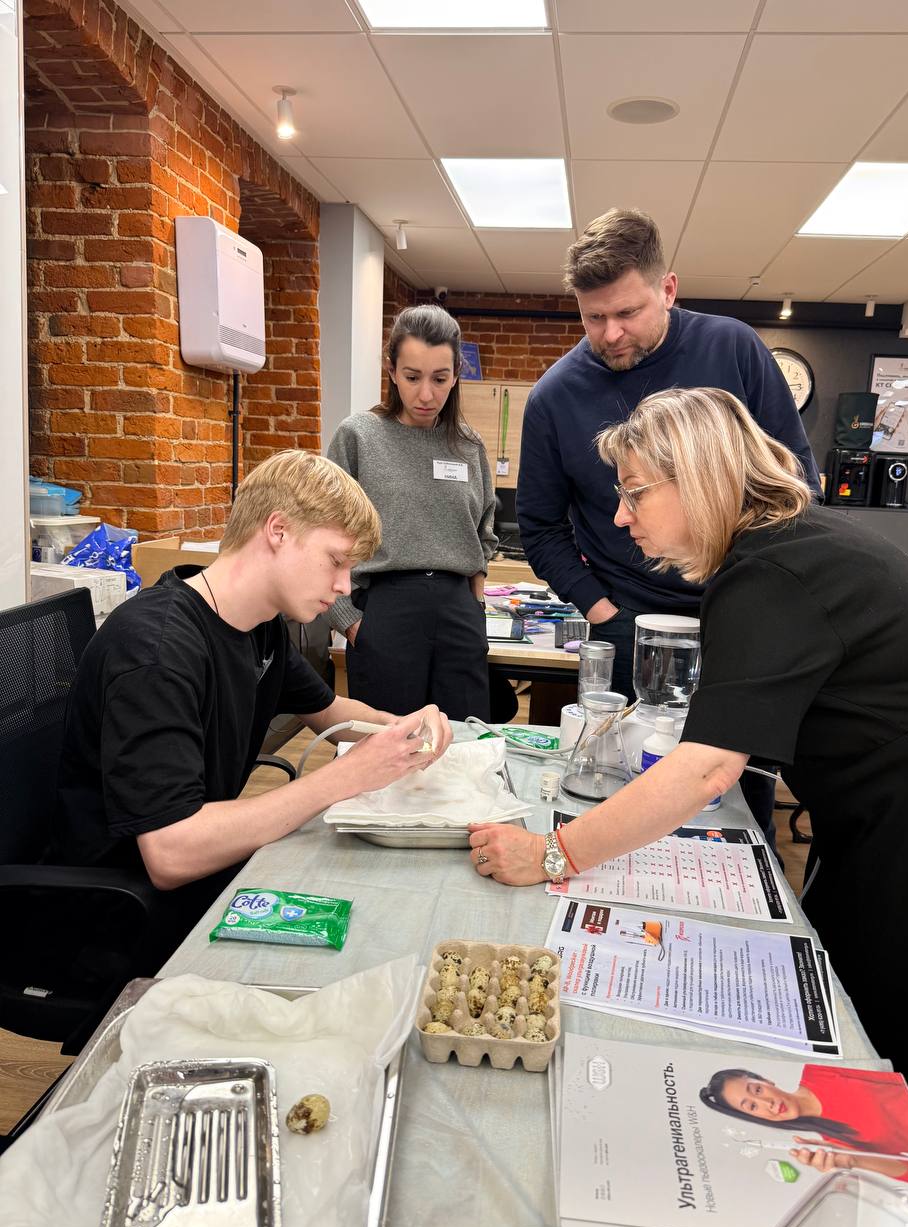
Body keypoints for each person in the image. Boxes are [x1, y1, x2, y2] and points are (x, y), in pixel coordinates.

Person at [469, 386, 908, 1171]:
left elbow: (705, 768)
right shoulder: (788, 545)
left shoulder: (770, 572)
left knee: (903, 1039)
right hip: (879, 817)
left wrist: (554, 853)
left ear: (697, 476)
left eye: (635, 493)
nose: (621, 517)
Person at [54, 450, 453, 963]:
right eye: (336, 561)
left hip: (198, 879)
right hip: (122, 919)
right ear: (278, 530)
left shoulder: (257, 626)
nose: (344, 587)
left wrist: (404, 728)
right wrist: (347, 776)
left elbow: (331, 712)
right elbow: (171, 852)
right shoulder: (155, 650)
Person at [516, 208, 819, 839]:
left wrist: (760, 606)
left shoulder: (732, 349)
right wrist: (605, 613)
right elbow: (540, 529)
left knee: (734, 812)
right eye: (593, 318)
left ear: (669, 289)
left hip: (741, 622)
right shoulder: (554, 397)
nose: (611, 334)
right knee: (622, 805)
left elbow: (794, 485)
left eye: (628, 312)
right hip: (631, 625)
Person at [324, 305, 497, 721]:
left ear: (456, 374)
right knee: (387, 743)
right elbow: (323, 533)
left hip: (458, 614)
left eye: (439, 378)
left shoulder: (468, 445)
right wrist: (348, 620)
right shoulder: (358, 436)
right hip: (385, 612)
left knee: (465, 742)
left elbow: (483, 533)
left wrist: (476, 610)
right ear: (391, 370)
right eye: (412, 377)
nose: (426, 395)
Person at [699, 1065, 908, 1189]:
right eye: (753, 1106)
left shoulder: (820, 1072)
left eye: (757, 1090)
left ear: (766, 1080)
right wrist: (854, 1161)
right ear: (756, 1118)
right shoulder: (838, 1145)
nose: (768, 1103)